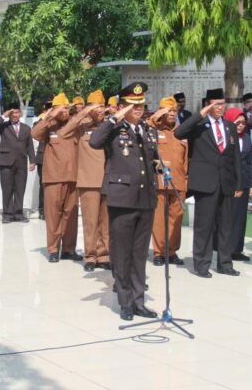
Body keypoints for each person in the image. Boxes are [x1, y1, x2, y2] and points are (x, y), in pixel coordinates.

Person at [89, 82, 159, 321]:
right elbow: (94, 141)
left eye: (140, 104)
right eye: (132, 104)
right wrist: (114, 117)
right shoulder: (113, 129)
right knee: (122, 253)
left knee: (139, 254)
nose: (138, 108)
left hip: (146, 198)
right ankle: (126, 302)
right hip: (122, 198)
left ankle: (139, 301)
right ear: (121, 107)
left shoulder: (147, 130)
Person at [174, 88, 243, 278]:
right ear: (208, 105)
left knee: (225, 225)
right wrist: (200, 114)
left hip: (226, 182)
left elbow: (235, 157)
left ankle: (225, 263)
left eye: (222, 103)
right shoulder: (199, 125)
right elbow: (179, 133)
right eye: (216, 104)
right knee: (204, 225)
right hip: (205, 182)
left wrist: (238, 184)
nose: (221, 107)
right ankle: (202, 264)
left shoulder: (229, 126)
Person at [58, 90, 110, 272]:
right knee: (90, 221)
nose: (100, 111)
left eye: (102, 106)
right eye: (95, 107)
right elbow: (64, 132)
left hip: (109, 179)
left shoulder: (110, 125)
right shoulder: (81, 127)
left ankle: (104, 255)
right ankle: (90, 255)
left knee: (106, 221)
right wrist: (83, 114)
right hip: (88, 180)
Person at [31, 93, 80, 263]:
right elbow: (35, 134)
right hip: (53, 178)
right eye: (62, 108)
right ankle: (53, 249)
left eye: (67, 108)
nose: (65, 111)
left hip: (72, 177)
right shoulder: (48, 126)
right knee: (53, 215)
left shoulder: (74, 125)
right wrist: (49, 116)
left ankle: (68, 249)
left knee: (71, 216)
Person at [146, 96, 188, 267]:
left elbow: (185, 160)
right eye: (168, 110)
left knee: (176, 218)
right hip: (160, 182)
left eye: (174, 110)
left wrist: (186, 179)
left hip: (179, 182)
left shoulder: (181, 132)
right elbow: (147, 125)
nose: (172, 113)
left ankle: (171, 251)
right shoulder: (153, 129)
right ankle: (159, 252)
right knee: (159, 219)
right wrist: (158, 115)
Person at [0, 102, 35, 223]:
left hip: (21, 162)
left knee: (20, 189)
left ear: (20, 113)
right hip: (5, 162)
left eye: (17, 112)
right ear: (9, 113)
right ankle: (7, 214)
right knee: (7, 189)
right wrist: (3, 116)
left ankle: (18, 213)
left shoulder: (26, 128)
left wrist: (32, 161)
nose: (15, 115)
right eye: (12, 112)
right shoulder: (4, 126)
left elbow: (29, 145)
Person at [223, 108, 252, 262]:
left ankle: (237, 249)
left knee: (240, 218)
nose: (241, 126)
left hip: (243, 182)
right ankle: (225, 249)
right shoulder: (225, 137)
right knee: (228, 217)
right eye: (237, 123)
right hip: (229, 183)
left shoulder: (247, 138)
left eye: (243, 123)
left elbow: (250, 162)